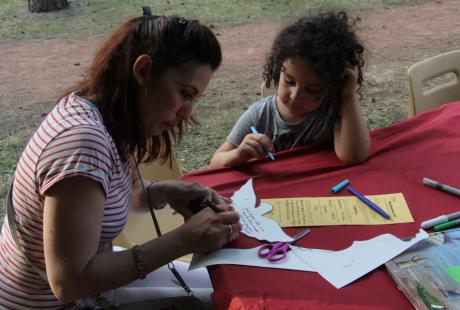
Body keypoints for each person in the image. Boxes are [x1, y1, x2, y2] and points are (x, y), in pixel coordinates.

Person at [0, 8, 241, 309]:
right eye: (185, 93)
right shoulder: (83, 143)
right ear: (143, 70)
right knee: (224, 301)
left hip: (89, 284)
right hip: (54, 302)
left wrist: (162, 191)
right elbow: (68, 281)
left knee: (222, 284)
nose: (187, 112)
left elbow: (101, 204)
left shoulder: (100, 114)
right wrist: (184, 240)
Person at [210, 11, 371, 168]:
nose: (295, 96)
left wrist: (348, 95)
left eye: (312, 90)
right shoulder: (260, 115)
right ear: (278, 68)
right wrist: (238, 154)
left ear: (331, 88)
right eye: (289, 81)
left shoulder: (333, 111)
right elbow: (215, 162)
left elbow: (354, 156)